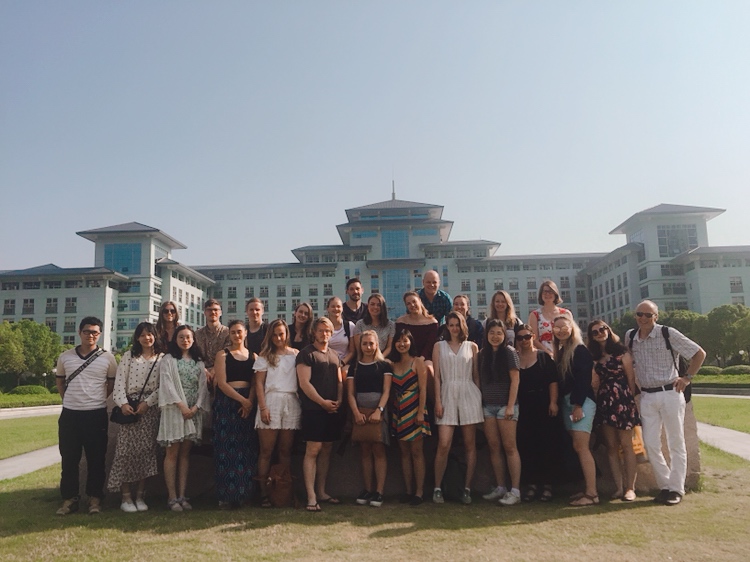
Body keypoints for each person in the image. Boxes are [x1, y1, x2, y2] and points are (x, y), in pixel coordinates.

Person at [626, 300, 705, 506]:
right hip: (647, 396)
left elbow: (698, 353)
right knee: (650, 443)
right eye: (640, 314)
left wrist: (687, 378)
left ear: (656, 316)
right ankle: (666, 485)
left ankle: (676, 489)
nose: (643, 318)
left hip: (670, 392)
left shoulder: (667, 333)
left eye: (648, 315)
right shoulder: (631, 336)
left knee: (675, 442)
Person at [55, 317, 118, 516]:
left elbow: (110, 385)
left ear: (99, 334)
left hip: (96, 414)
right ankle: (69, 499)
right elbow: (60, 383)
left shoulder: (108, 358)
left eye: (94, 332)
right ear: (79, 332)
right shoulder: (65, 357)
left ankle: (95, 498)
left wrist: (95, 399)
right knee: (69, 459)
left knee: (96, 459)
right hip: (70, 415)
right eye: (87, 331)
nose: (90, 335)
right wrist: (70, 400)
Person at [107, 322, 162, 513]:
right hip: (129, 409)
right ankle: (125, 496)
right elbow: (119, 383)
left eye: (150, 334)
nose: (147, 338)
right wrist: (123, 404)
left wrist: (148, 403)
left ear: (155, 336)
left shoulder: (162, 358)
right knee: (125, 453)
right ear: (137, 338)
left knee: (146, 453)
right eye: (143, 335)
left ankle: (140, 495)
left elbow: (163, 385)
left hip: (149, 410)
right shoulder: (129, 356)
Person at [157, 325, 210, 512]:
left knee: (185, 454)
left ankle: (182, 495)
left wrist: (195, 407)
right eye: (181, 337)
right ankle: (172, 497)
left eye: (188, 337)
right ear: (175, 340)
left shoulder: (198, 362)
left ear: (193, 339)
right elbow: (167, 384)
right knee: (172, 453)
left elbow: (203, 387)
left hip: (193, 412)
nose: (185, 340)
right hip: (175, 410)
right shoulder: (168, 360)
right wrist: (182, 406)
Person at [432, 311, 483, 505]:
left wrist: (479, 399)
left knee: (470, 444)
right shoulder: (439, 346)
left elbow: (476, 375)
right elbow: (437, 377)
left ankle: (467, 489)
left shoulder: (472, 347)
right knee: (444, 443)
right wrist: (438, 401)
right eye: (451, 325)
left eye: (457, 325)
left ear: (463, 326)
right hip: (446, 394)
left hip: (468, 394)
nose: (454, 328)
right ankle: (437, 487)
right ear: (447, 327)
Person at [587, 320, 640, 502]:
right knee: (611, 446)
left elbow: (631, 379)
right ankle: (618, 487)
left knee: (627, 445)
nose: (600, 333)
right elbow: (594, 382)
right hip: (604, 402)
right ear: (592, 337)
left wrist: (630, 402)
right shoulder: (593, 356)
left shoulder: (621, 352)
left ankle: (630, 488)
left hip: (623, 400)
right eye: (595, 332)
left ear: (608, 330)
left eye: (602, 329)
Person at [296, 317, 345, 512]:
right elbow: (304, 383)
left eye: (328, 331)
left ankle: (322, 492)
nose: (324, 334)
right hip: (313, 410)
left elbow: (340, 381)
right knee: (313, 450)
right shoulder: (306, 354)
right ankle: (311, 496)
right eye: (321, 331)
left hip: (332, 410)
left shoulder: (335, 355)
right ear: (314, 333)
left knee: (327, 449)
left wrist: (338, 400)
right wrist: (322, 402)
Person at [551, 315, 598, 506]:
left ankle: (592, 494)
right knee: (578, 447)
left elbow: (583, 380)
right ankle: (585, 489)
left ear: (572, 328)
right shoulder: (562, 351)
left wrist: (578, 406)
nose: (561, 331)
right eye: (557, 328)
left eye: (564, 327)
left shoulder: (580, 350)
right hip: (567, 402)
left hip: (581, 402)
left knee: (582, 447)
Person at [254, 319, 301, 507]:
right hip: (271, 401)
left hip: (291, 401)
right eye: (274, 335)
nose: (278, 338)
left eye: (281, 334)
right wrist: (263, 407)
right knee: (266, 451)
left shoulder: (296, 355)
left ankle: (284, 490)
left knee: (285, 451)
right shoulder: (265, 356)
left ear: (286, 334)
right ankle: (263, 493)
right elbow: (259, 383)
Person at [212, 320, 258, 509]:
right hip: (227, 404)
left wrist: (249, 402)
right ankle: (226, 496)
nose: (237, 335)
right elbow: (222, 383)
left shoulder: (254, 356)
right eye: (233, 332)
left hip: (248, 403)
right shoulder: (222, 355)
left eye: (239, 331)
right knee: (225, 450)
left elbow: (255, 383)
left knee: (246, 449)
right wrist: (242, 401)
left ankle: (244, 494)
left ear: (245, 333)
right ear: (229, 335)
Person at [479, 319, 522, 506]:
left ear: (504, 335)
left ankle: (515, 490)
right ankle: (500, 487)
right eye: (491, 333)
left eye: (499, 333)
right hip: (488, 407)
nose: (495, 336)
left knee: (510, 447)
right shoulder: (482, 354)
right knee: (494, 447)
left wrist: (510, 405)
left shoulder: (509, 352)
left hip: (506, 406)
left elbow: (515, 380)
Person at [514, 323, 559, 502]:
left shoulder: (543, 357)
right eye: (520, 337)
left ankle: (547, 485)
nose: (524, 340)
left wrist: (553, 402)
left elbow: (553, 381)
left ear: (533, 337)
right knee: (526, 446)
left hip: (543, 404)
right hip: (523, 406)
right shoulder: (515, 358)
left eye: (527, 336)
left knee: (546, 445)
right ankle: (531, 484)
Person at [347, 330, 393, 507]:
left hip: (378, 412)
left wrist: (379, 411)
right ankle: (367, 489)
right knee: (365, 450)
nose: (368, 347)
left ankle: (379, 491)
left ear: (377, 345)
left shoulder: (384, 366)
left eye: (371, 343)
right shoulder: (354, 367)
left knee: (378, 449)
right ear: (360, 345)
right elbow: (350, 393)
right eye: (364, 343)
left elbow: (386, 391)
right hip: (360, 413)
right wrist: (356, 413)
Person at [387, 328, 431, 506]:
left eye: (405, 340)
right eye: (398, 341)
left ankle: (419, 492)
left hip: (415, 409)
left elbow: (423, 389)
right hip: (399, 411)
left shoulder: (418, 361)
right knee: (404, 453)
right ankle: (408, 490)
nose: (402, 344)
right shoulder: (392, 365)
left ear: (411, 342)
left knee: (417, 452)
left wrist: (421, 412)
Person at [529, 281, 572, 355]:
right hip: (544, 355)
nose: (547, 294)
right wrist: (549, 354)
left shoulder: (565, 313)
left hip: (565, 353)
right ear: (541, 294)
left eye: (550, 292)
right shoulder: (535, 315)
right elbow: (534, 339)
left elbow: (572, 335)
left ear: (555, 294)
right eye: (545, 292)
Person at [195, 298, 231, 386]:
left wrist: (215, 370)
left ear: (220, 312)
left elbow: (227, 353)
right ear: (205, 313)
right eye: (209, 310)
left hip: (223, 370)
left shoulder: (228, 332)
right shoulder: (197, 334)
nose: (213, 312)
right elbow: (195, 355)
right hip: (202, 370)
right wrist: (203, 370)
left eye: (216, 310)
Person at [395, 291, 439, 363]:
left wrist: (421, 358)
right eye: (408, 304)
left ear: (420, 301)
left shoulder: (432, 323)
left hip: (425, 358)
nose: (412, 305)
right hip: (406, 357)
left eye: (414, 301)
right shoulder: (401, 322)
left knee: (428, 367)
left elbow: (430, 345)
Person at [353, 293, 395, 357]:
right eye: (372, 304)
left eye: (379, 305)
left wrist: (380, 358)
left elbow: (389, 347)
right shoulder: (360, 324)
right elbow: (358, 348)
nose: (375, 307)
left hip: (382, 357)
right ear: (368, 306)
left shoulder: (390, 325)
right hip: (364, 358)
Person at [325, 296, 355, 368]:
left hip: (345, 363)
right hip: (326, 363)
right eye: (333, 306)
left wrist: (342, 363)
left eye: (338, 306)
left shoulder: (349, 326)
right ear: (328, 309)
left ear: (342, 309)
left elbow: (352, 351)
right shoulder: (323, 327)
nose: (336, 309)